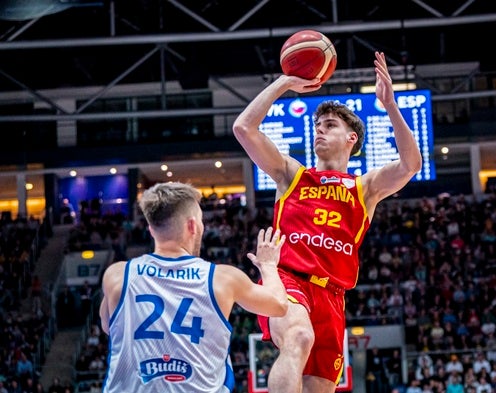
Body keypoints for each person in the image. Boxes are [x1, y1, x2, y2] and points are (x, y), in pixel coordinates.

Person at [233, 51, 422, 392]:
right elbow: (244, 128)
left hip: (333, 296)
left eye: (330, 125)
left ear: (352, 138)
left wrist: (391, 106)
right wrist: (286, 82)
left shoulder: (364, 188)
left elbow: (410, 165)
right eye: (317, 127)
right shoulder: (292, 174)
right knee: (298, 336)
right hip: (288, 280)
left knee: (321, 386)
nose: (319, 131)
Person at [99, 181, 288, 393]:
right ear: (192, 226)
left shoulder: (117, 275)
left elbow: (108, 327)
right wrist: (269, 265)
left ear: (151, 229)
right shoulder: (222, 278)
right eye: (200, 221)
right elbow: (279, 305)